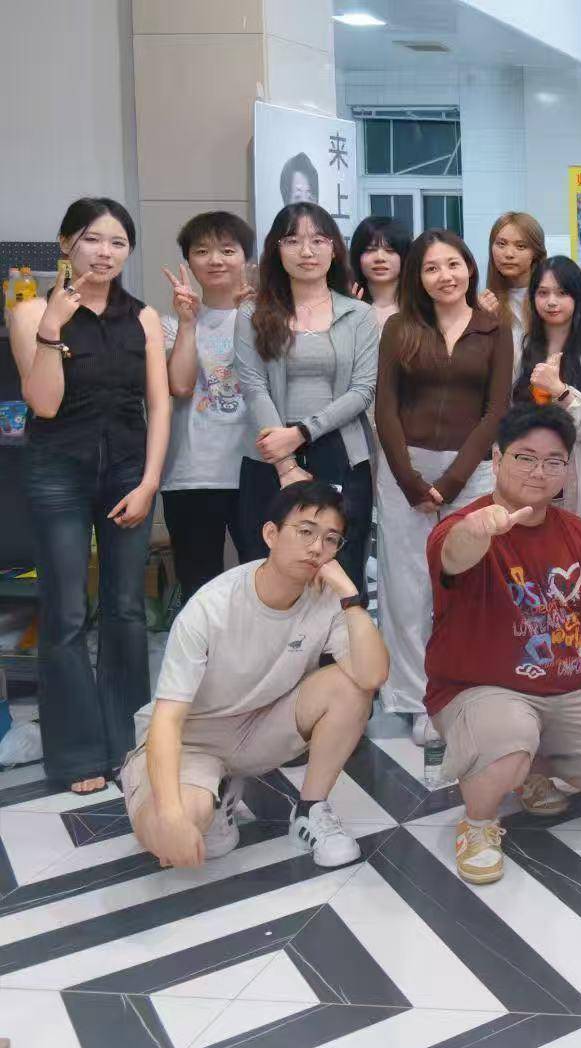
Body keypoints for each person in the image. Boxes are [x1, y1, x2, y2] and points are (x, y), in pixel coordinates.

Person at [427, 404, 581, 884]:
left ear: (567, 469)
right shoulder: (464, 524)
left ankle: (529, 767)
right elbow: (453, 556)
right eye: (525, 457)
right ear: (497, 458)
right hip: (482, 690)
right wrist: (476, 532)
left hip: (565, 690)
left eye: (553, 461)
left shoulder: (580, 535)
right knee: (507, 739)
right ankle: (479, 825)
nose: (539, 471)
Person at [123, 481, 388, 870]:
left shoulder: (328, 597)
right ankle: (213, 795)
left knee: (350, 686)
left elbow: (372, 676)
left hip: (261, 727)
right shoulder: (212, 607)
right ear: (270, 534)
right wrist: (172, 816)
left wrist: (350, 596)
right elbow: (167, 720)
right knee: (168, 833)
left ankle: (310, 811)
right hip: (193, 739)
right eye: (306, 532)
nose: (317, 548)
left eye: (331, 539)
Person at [8, 197, 171, 794]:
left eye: (117, 242)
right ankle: (77, 754)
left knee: (126, 608)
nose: (105, 253)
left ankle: (128, 740)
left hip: (129, 471)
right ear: (66, 244)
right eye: (93, 240)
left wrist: (149, 482)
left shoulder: (143, 318)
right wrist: (52, 326)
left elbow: (159, 405)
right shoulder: (30, 313)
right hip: (58, 472)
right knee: (67, 612)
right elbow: (44, 404)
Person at [375, 229, 511, 745]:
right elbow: (385, 408)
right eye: (431, 268)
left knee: (467, 580)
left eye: (453, 264)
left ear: (469, 268)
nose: (444, 276)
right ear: (418, 277)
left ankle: (465, 686)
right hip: (403, 469)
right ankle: (417, 699)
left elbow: (496, 410)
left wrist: (454, 480)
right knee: (408, 586)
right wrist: (410, 480)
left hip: (470, 469)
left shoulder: (494, 329)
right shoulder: (400, 327)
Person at [234, 202, 378, 591]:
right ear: (276, 250)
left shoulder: (359, 314)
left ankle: (341, 637)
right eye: (293, 240)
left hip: (340, 453)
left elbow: (363, 390)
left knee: (339, 571)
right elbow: (254, 385)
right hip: (269, 453)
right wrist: (285, 463)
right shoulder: (252, 312)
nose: (307, 251)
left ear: (334, 249)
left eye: (318, 239)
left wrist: (300, 432)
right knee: (270, 573)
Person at [159, 211, 255, 602]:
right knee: (199, 590)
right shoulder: (169, 324)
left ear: (246, 258)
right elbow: (181, 386)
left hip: (256, 472)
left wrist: (255, 317)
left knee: (265, 583)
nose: (215, 260)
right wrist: (187, 323)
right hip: (192, 474)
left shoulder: (269, 320)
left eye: (227, 250)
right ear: (188, 260)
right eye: (202, 251)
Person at [512, 254, 581, 540]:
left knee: (580, 547)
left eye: (561, 293)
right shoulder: (520, 350)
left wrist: (561, 391)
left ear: (578, 298)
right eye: (543, 293)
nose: (551, 302)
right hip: (529, 469)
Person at [478, 210, 547, 336]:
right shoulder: (483, 304)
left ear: (536, 253)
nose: (509, 254)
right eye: (501, 244)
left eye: (521, 246)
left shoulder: (551, 299)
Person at [349, 216, 409, 329]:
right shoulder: (343, 307)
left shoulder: (419, 309)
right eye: (370, 250)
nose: (380, 258)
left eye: (389, 250)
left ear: (404, 256)